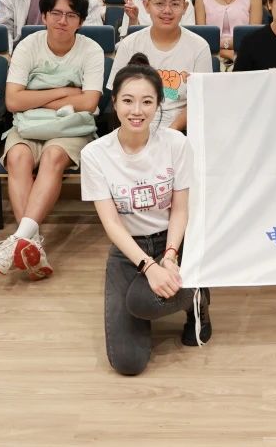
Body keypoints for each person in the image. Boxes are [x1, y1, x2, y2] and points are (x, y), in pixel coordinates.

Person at [82, 53, 210, 375]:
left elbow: (181, 208)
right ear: (114, 102)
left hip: (173, 241)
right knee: (128, 363)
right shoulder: (94, 154)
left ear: (158, 105)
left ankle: (197, 294)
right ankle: (164, 293)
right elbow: (111, 223)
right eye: (128, 100)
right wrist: (149, 267)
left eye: (147, 102)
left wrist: (170, 257)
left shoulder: (176, 143)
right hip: (129, 248)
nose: (136, 111)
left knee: (143, 302)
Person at [0, 0, 105, 280]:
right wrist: (65, 92)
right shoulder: (28, 45)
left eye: (71, 15)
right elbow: (13, 101)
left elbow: (89, 102)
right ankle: (31, 244)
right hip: (28, 125)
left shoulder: (91, 49)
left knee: (52, 157)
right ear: (44, 16)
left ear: (80, 21)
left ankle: (19, 239)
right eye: (56, 13)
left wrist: (36, 98)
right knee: (17, 158)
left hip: (71, 129)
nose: (62, 20)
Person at [108, 0, 212, 133]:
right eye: (160, 3)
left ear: (185, 7)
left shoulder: (199, 47)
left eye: (175, 4)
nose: (167, 10)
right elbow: (118, 95)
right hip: (135, 126)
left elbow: (199, 100)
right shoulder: (129, 44)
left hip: (180, 131)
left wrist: (172, 132)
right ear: (146, 5)